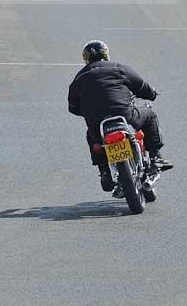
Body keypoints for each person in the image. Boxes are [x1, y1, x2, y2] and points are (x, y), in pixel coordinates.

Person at [68, 40, 173, 192]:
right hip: (126, 115)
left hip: (98, 124)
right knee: (149, 115)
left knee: (92, 137)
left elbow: (73, 108)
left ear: (86, 59)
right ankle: (156, 158)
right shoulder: (118, 68)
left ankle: (104, 172)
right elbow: (143, 87)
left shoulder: (78, 79)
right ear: (106, 54)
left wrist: (88, 112)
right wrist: (152, 94)